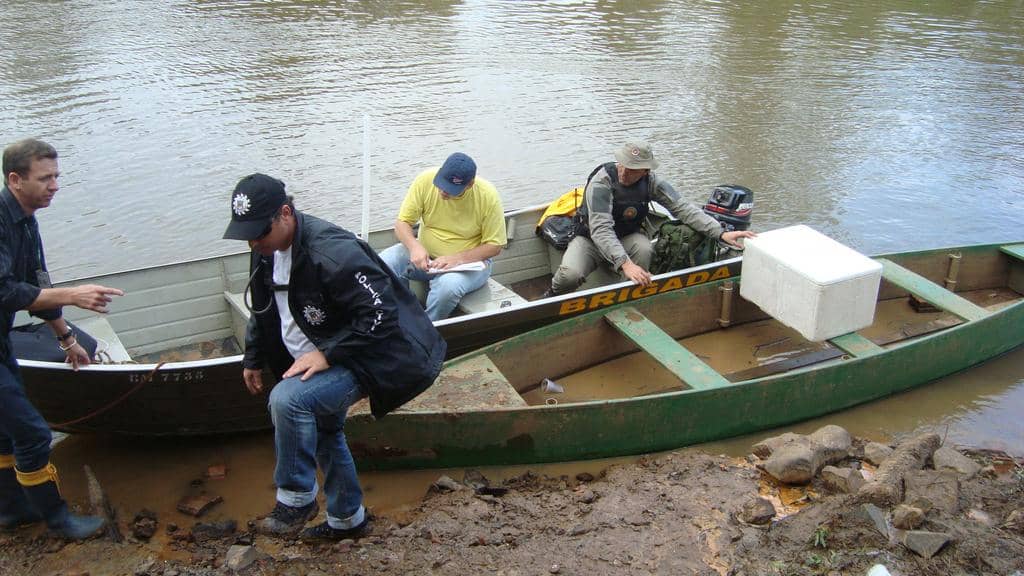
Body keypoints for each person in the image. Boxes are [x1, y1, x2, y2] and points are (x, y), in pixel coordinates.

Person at [223, 173, 446, 541]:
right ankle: (348, 520)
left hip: (371, 353)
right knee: (325, 430)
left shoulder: (333, 252)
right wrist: (252, 357)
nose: (253, 241)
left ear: (285, 213)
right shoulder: (264, 250)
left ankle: (297, 497)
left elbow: (381, 314)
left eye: (260, 232)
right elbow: (264, 308)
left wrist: (327, 353)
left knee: (289, 400)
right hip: (323, 349)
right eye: (247, 234)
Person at [0, 138, 124, 539]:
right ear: (15, 179)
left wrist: (67, 339)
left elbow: (36, 284)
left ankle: (12, 509)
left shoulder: (26, 220)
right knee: (34, 433)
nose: (55, 186)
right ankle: (59, 520)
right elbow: (3, 290)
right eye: (45, 178)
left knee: (5, 431)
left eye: (57, 176)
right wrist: (73, 295)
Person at [547, 142, 756, 295]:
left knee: (645, 249)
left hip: (627, 237)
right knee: (569, 276)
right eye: (624, 165)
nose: (625, 172)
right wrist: (625, 264)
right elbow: (601, 230)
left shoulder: (651, 182)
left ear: (646, 170)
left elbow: (682, 208)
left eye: (633, 169)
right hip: (590, 240)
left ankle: (628, 297)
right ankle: (552, 297)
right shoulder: (601, 182)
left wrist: (720, 232)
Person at [379, 152, 506, 321]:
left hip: (469, 265)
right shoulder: (424, 180)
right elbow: (402, 223)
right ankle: (403, 317)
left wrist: (457, 259)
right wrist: (415, 247)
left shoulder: (487, 195)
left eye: (451, 190)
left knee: (447, 287)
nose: (443, 192)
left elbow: (495, 246)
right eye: (441, 184)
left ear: (470, 184)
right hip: (427, 259)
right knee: (384, 263)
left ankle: (429, 329)